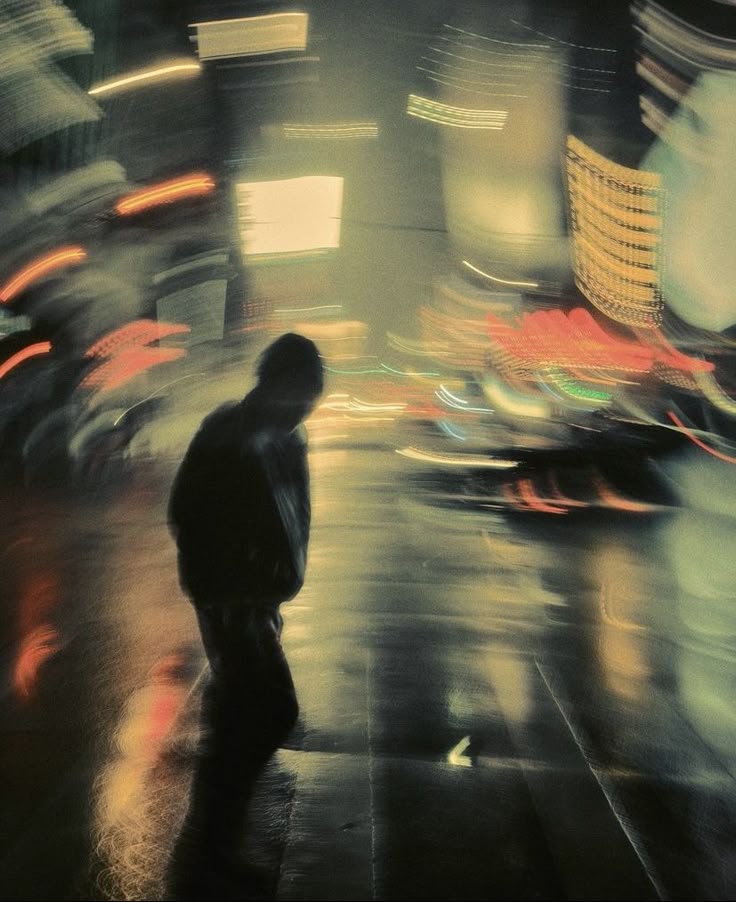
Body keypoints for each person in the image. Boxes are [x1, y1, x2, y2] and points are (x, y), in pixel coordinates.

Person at [166, 333, 323, 895]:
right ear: (274, 381)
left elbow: (292, 515)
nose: (306, 406)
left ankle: (213, 847)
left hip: (259, 602)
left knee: (246, 714)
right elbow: (187, 510)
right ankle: (209, 851)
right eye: (301, 393)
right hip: (233, 602)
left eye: (312, 397)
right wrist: (227, 585)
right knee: (268, 710)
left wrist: (274, 584)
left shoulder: (286, 438)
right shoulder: (229, 432)